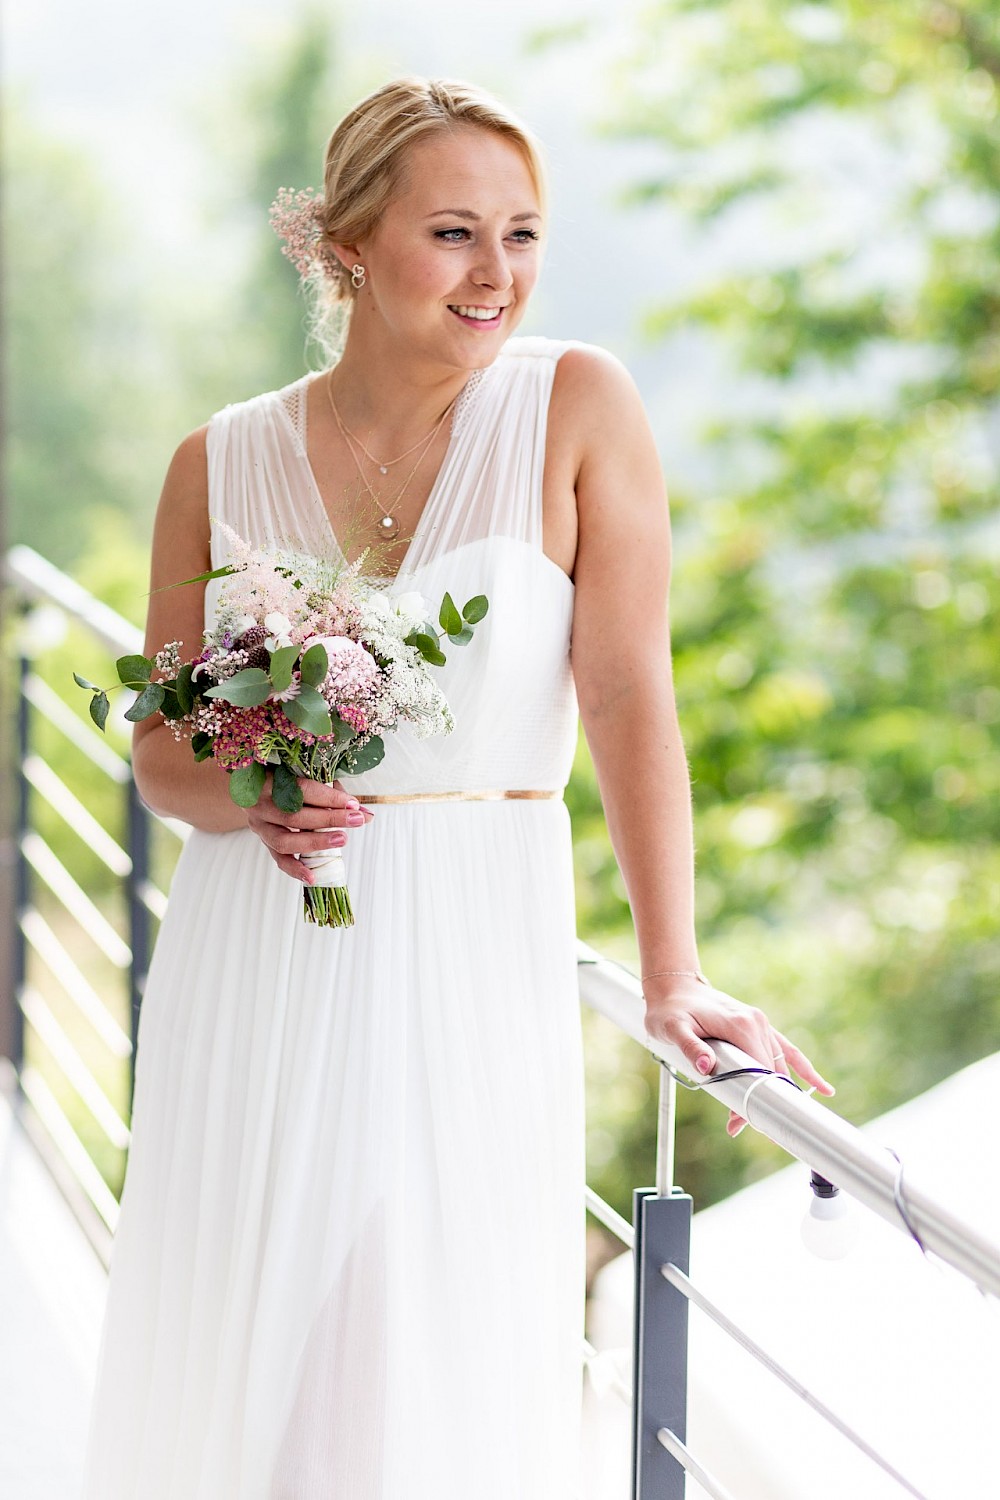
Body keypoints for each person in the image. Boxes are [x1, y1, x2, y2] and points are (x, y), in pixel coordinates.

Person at [80, 75, 833, 1500]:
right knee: (260, 1340)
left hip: (471, 950)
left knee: (422, 1343)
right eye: (453, 233)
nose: (498, 273)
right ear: (345, 244)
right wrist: (262, 796)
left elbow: (625, 693)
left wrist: (674, 973)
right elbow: (166, 755)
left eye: (523, 234)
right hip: (264, 953)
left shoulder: (577, 406)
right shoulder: (217, 460)